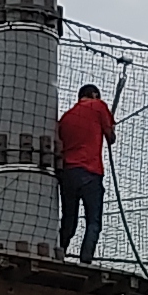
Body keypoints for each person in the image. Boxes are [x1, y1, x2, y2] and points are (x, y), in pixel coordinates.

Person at [56, 82, 114, 262]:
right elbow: (111, 137)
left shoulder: (65, 118)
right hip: (90, 171)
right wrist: (110, 126)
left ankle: (59, 251)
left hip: (68, 173)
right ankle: (86, 260)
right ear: (95, 95)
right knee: (93, 222)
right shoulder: (98, 106)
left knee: (69, 219)